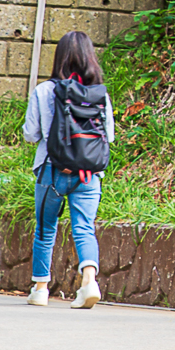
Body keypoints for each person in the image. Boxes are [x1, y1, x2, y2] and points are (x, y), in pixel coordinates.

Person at [21, 30, 115, 308]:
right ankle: (89, 282)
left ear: (59, 57)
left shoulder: (44, 91)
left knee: (45, 228)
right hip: (89, 174)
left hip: (52, 171)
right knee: (84, 227)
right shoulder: (100, 94)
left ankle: (40, 289)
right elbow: (109, 136)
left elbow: (31, 134)